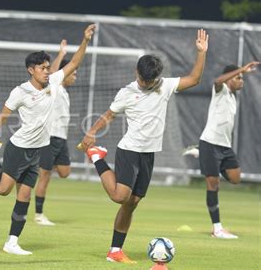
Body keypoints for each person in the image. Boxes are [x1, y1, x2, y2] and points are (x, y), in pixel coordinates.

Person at [79, 29, 209, 264]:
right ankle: (97, 157)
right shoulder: (127, 92)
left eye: (151, 80)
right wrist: (91, 132)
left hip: (148, 154)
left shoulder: (165, 86)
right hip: (129, 150)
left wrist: (201, 53)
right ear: (136, 72)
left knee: (133, 203)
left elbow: (195, 79)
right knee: (120, 196)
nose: (146, 83)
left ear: (157, 77)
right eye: (143, 79)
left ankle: (115, 251)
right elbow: (109, 115)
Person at [0, 24, 96, 255]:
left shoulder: (53, 83)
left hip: (37, 151)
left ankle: (12, 242)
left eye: (47, 67)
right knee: (2, 191)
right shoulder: (20, 92)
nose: (47, 71)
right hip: (18, 148)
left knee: (24, 197)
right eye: (43, 68)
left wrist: (85, 41)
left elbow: (74, 63)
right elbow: (3, 117)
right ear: (31, 70)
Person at [197, 61, 259, 239]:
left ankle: (205, 160)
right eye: (239, 78)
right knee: (213, 184)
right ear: (231, 79)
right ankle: (217, 229)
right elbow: (217, 80)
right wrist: (241, 69)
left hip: (225, 147)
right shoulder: (221, 90)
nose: (242, 81)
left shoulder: (232, 97)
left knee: (235, 178)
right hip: (210, 143)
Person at [34, 40, 76, 226]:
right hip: (49, 138)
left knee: (65, 172)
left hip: (61, 139)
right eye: (72, 73)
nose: (75, 76)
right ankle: (38, 214)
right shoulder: (55, 88)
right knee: (45, 176)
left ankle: (35, 165)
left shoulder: (64, 92)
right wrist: (60, 54)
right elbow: (53, 74)